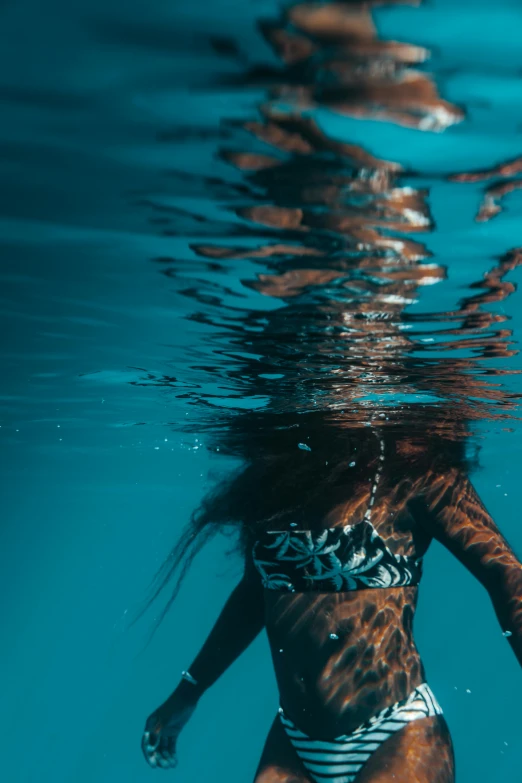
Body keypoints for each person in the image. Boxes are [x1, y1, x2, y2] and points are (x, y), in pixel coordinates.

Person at [140, 413, 522, 782]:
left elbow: (505, 573)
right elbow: (257, 591)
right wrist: (188, 692)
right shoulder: (275, 476)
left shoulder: (416, 470)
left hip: (397, 729)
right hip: (293, 739)